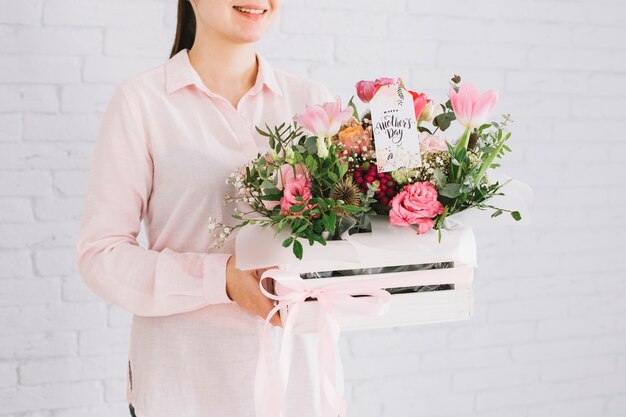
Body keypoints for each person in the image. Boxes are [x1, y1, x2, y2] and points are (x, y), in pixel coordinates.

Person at [75, 0, 334, 416]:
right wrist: (222, 280)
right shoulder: (142, 102)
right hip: (181, 389)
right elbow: (101, 255)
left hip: (295, 389)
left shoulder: (312, 103)